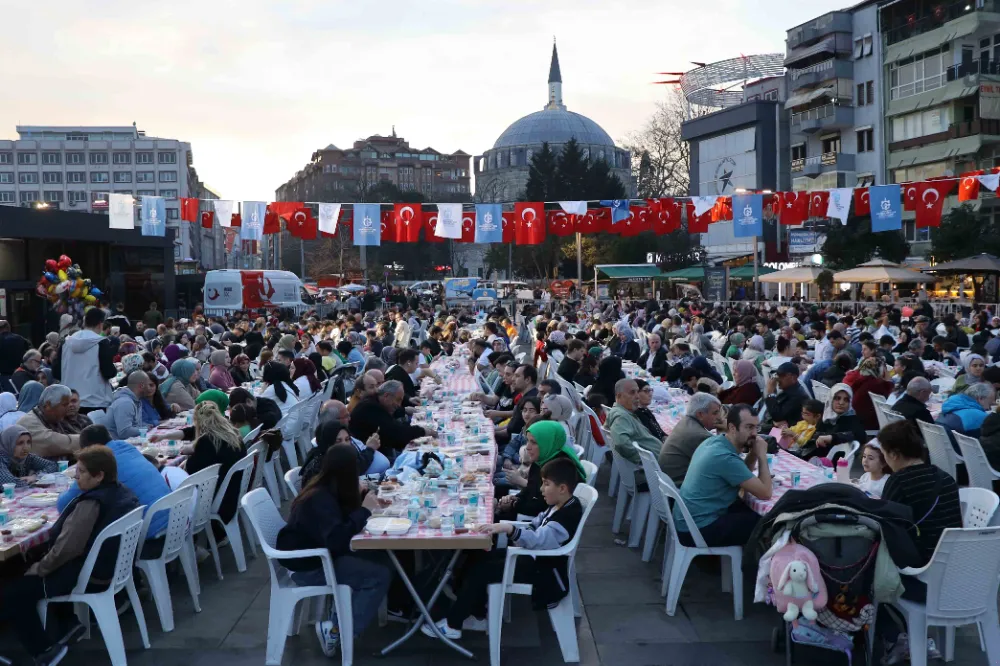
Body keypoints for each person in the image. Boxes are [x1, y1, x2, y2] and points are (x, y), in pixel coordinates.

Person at [0, 445, 139, 665]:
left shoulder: (92, 502)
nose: (76, 476)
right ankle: (68, 623)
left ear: (99, 475)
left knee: (12, 592)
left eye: (81, 471)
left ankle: (44, 651)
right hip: (108, 567)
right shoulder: (121, 492)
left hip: (88, 574)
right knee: (23, 569)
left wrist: (39, 569)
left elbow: (67, 549)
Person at [423, 456, 584, 641]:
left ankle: (454, 624)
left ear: (562, 488)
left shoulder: (566, 516)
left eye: (546, 484)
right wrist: (515, 530)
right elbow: (535, 525)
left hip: (544, 572)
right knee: (479, 556)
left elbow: (540, 540)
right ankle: (476, 613)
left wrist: (510, 529)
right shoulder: (558, 505)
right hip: (534, 559)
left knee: (482, 570)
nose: (541, 489)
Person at [276, 443, 392, 657]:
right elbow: (337, 538)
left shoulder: (326, 487)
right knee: (379, 574)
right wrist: (365, 510)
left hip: (317, 555)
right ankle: (339, 632)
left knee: (383, 560)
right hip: (310, 565)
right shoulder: (320, 498)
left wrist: (364, 500)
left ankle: (340, 620)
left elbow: (339, 521)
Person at [877, 421, 962, 663]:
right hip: (958, 578)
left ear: (894, 454)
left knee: (869, 572)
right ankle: (921, 639)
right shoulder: (945, 479)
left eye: (884, 454)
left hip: (922, 581)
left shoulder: (899, 482)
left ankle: (895, 637)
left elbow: (887, 530)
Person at [674, 404, 772, 547]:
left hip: (688, 520)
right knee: (766, 522)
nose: (754, 433)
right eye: (749, 427)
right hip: (697, 529)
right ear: (732, 428)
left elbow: (741, 473)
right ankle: (753, 568)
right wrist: (762, 455)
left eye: (756, 428)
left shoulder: (714, 442)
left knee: (748, 510)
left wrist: (753, 453)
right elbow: (765, 493)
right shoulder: (724, 457)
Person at [57, 426, 170, 541]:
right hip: (172, 518)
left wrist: (64, 488)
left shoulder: (97, 461)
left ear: (87, 450)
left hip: (145, 534)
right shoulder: (128, 447)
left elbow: (64, 505)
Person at [496, 420, 586, 521]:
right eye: (527, 441)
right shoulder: (541, 459)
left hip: (541, 522)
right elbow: (530, 489)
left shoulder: (558, 468)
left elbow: (542, 506)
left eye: (534, 442)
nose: (528, 447)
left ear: (547, 442)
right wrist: (515, 498)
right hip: (530, 511)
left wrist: (513, 505)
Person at [183, 401, 247, 532]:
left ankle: (192, 543)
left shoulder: (207, 441)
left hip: (219, 498)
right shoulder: (233, 434)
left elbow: (191, 472)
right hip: (234, 490)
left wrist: (187, 460)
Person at [55, 307, 117, 411]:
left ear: (84, 322)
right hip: (96, 402)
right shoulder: (101, 343)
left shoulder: (66, 342)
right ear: (100, 324)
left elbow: (56, 372)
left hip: (70, 402)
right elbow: (108, 372)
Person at [349, 381, 434, 454]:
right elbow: (397, 435)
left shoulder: (375, 402)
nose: (399, 404)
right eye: (398, 400)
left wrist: (405, 410)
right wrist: (423, 431)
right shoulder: (370, 408)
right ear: (386, 396)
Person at [658, 393, 722, 486]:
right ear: (700, 414)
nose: (719, 417)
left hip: (669, 481)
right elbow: (722, 465)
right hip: (680, 486)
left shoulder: (686, 421)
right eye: (715, 413)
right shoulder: (700, 436)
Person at [797, 383, 867, 461]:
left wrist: (832, 437)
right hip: (814, 458)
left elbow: (859, 435)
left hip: (831, 464)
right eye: (837, 398)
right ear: (831, 399)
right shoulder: (826, 416)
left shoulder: (851, 418)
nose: (841, 403)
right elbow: (814, 440)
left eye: (846, 400)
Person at [605, 379, 664, 465]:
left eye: (637, 392)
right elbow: (621, 443)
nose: (637, 397)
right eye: (632, 392)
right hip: (660, 464)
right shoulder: (621, 416)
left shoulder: (626, 412)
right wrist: (644, 461)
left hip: (660, 458)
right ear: (619, 396)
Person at [17, 384, 81, 460]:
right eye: (64, 405)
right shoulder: (28, 422)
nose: (68, 408)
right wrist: (87, 438)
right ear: (48, 405)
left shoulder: (55, 418)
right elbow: (54, 443)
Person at [843, 357, 893, 431]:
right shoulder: (877, 384)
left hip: (857, 419)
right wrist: (888, 380)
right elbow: (891, 397)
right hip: (869, 423)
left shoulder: (861, 380)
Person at [96, 370, 149, 440]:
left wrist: (145, 426)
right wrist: (145, 430)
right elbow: (124, 432)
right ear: (141, 386)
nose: (149, 388)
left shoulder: (135, 400)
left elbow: (135, 425)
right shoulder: (125, 403)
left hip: (128, 442)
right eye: (148, 385)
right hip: (118, 445)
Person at [763, 362, 809, 426]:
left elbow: (777, 417)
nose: (778, 379)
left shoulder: (798, 396)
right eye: (777, 375)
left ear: (792, 377)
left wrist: (770, 393)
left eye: (781, 376)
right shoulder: (789, 390)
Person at [0, 320, 31, 394]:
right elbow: (29, 352)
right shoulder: (20, 339)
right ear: (9, 328)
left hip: (4, 375)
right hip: (20, 373)